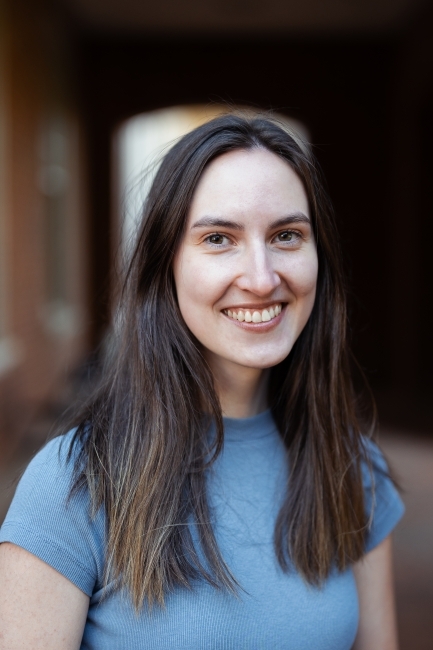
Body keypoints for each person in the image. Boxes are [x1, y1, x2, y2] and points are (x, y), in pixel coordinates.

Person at [0, 113, 404, 649]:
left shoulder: (351, 467)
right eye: (219, 238)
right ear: (165, 266)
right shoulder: (76, 481)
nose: (262, 278)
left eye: (287, 235)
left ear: (318, 258)